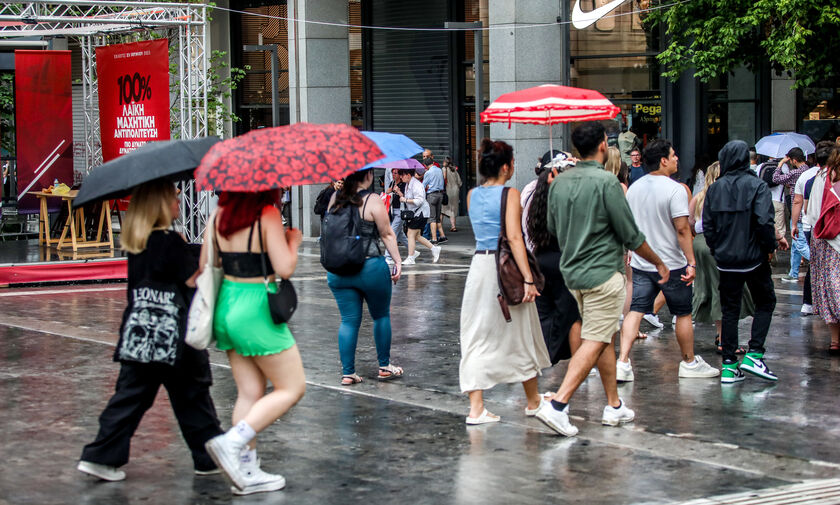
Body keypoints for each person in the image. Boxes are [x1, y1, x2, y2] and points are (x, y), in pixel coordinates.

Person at [78, 180, 223, 482]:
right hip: (173, 334)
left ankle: (102, 455)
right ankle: (207, 456)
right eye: (173, 198)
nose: (178, 203)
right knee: (192, 395)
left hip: (140, 332)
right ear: (160, 205)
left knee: (131, 395)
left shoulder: (138, 241)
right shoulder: (168, 241)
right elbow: (193, 278)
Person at [535, 122, 668, 436]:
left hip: (573, 273)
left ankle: (614, 405)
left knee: (603, 335)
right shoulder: (607, 183)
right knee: (596, 338)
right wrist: (660, 263)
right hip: (603, 273)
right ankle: (558, 404)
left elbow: (553, 227)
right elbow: (631, 234)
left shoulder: (559, 183)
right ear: (602, 147)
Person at [202, 188, 306, 495]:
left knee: (249, 391)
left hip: (226, 304)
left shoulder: (218, 216)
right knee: (292, 387)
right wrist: (293, 243)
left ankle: (246, 470)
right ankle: (231, 443)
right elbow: (285, 267)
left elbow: (207, 262)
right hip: (255, 308)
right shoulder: (267, 215)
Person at [459, 138, 550, 425]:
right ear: (506, 166)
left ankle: (476, 408)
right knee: (520, 332)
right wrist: (527, 279)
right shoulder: (509, 195)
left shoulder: (472, 195)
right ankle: (533, 401)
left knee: (475, 335)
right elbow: (514, 238)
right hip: (505, 269)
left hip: (480, 267)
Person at [618, 140, 719, 381]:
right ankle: (689, 362)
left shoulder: (634, 188)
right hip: (672, 264)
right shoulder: (675, 189)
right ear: (663, 160)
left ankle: (622, 361)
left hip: (643, 262)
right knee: (683, 313)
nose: (676, 159)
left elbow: (630, 224)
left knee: (636, 311)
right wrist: (691, 261)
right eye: (673, 156)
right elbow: (682, 229)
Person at [703, 140, 789, 384]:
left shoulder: (715, 188)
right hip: (753, 257)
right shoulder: (757, 186)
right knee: (766, 301)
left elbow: (707, 224)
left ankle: (729, 365)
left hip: (725, 259)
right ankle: (755, 353)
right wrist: (768, 248)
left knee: (729, 309)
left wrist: (716, 249)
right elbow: (764, 222)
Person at [325, 168, 404, 384]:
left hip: (338, 271)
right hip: (370, 267)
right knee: (380, 316)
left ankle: (348, 373)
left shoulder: (335, 198)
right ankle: (384, 366)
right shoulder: (372, 199)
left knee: (348, 321)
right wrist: (397, 261)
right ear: (367, 176)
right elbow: (387, 233)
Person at [689, 161, 754, 354]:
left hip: (700, 243)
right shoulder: (727, 195)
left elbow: (691, 223)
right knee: (723, 289)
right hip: (721, 243)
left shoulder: (699, 197)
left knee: (711, 286)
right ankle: (724, 339)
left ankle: (722, 335)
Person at [525, 165, 583, 368]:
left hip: (541, 259)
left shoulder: (535, 199)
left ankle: (540, 357)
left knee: (543, 314)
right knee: (573, 316)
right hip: (564, 260)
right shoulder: (567, 201)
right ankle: (576, 363)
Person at [790, 143, 833, 313]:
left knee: (815, 264)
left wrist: (794, 224)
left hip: (811, 226)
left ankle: (809, 303)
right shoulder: (831, 177)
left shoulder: (808, 178)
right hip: (826, 228)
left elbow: (799, 203)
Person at [808, 146, 840, 354]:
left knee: (830, 289)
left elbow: (812, 213)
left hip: (825, 241)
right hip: (833, 242)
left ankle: (835, 340)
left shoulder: (822, 177)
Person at [774, 148, 811, 282]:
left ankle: (820, 263)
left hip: (798, 214)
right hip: (808, 212)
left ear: (794, 160)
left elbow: (776, 178)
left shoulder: (796, 172)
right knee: (796, 246)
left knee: (800, 244)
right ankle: (793, 273)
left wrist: (781, 163)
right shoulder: (809, 170)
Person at [395, 168, 441, 264]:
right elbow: (407, 198)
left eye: (402, 175)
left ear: (408, 175)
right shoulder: (408, 184)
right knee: (417, 236)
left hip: (421, 213)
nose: (400, 177)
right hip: (417, 213)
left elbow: (419, 200)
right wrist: (400, 193)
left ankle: (411, 257)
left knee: (410, 234)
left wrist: (405, 200)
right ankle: (434, 249)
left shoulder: (417, 185)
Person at [384, 169, 408, 265]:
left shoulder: (404, 185)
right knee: (401, 235)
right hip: (391, 211)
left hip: (400, 211)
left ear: (400, 174)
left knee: (392, 233)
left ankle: (388, 257)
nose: (393, 175)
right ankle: (412, 251)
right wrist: (388, 191)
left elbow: (405, 197)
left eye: (395, 173)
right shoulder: (392, 183)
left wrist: (398, 191)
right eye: (392, 173)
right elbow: (388, 194)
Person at [422, 157, 448, 244]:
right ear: (432, 162)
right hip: (440, 194)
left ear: (425, 165)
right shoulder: (440, 170)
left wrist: (427, 186)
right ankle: (442, 236)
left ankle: (434, 239)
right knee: (437, 217)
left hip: (432, 195)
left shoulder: (428, 172)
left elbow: (423, 185)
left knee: (432, 218)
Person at [442, 157, 462, 232]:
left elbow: (442, 180)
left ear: (445, 162)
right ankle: (453, 226)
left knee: (443, 209)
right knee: (453, 209)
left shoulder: (444, 169)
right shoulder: (454, 170)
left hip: (447, 191)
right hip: (455, 191)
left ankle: (439, 226)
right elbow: (460, 182)